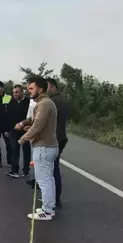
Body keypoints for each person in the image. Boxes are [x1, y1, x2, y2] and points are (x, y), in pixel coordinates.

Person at [17, 76, 59, 221]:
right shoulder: (44, 103)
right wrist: (25, 125)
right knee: (49, 179)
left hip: (43, 147)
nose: (28, 91)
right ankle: (49, 208)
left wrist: (22, 140)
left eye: (31, 88)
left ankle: (47, 211)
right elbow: (36, 123)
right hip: (48, 146)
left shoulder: (44, 104)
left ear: (40, 88)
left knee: (44, 180)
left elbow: (37, 126)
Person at [46, 78, 69, 208]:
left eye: (47, 87)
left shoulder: (53, 102)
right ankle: (54, 198)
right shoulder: (60, 100)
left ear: (53, 86)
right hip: (59, 138)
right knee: (52, 168)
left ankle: (54, 199)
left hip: (55, 139)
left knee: (52, 169)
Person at [6, 85, 31, 178]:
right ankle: (14, 170)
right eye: (13, 92)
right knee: (14, 150)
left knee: (26, 150)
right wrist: (8, 130)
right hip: (14, 130)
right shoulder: (11, 102)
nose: (15, 94)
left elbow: (32, 116)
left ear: (22, 92)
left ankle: (26, 170)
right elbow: (8, 117)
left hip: (26, 130)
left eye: (17, 92)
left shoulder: (29, 102)